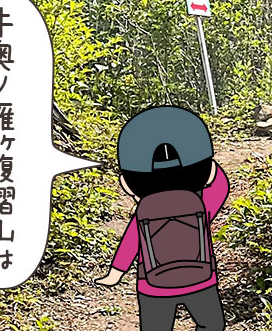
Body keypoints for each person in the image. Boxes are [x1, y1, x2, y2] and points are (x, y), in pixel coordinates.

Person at [95, 105, 228, 331]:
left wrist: (115, 273)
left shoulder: (144, 211)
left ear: (127, 184)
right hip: (201, 280)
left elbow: (131, 243)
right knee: (212, 324)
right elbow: (220, 186)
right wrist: (210, 168)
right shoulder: (202, 204)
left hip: (152, 287)